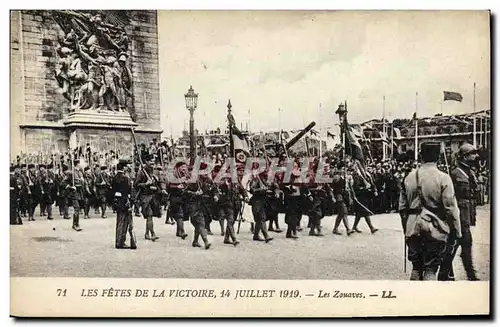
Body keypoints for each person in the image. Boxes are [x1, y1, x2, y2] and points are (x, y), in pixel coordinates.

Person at [399, 142, 461, 281]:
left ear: (421, 156)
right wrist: (456, 230)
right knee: (431, 269)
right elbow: (450, 207)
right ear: (438, 156)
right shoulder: (443, 178)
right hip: (435, 226)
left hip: (413, 225)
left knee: (416, 267)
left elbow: (402, 208)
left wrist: (407, 228)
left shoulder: (409, 177)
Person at [439, 143, 481, 281]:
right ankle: (468, 275)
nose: (476, 156)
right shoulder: (455, 173)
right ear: (464, 156)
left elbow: (474, 192)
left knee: (458, 244)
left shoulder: (470, 171)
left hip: (466, 214)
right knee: (460, 243)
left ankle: (446, 273)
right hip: (458, 215)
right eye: (472, 153)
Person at [112, 160, 137, 249]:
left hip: (117, 202)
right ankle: (121, 242)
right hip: (125, 202)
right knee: (125, 223)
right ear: (124, 167)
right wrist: (129, 202)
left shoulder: (115, 177)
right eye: (127, 166)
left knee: (119, 222)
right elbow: (127, 192)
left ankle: (118, 241)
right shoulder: (126, 178)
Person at [134, 155, 160, 241]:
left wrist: (155, 187)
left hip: (152, 196)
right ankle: (152, 233)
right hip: (144, 197)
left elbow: (157, 184)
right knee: (149, 214)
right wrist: (146, 184)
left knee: (150, 216)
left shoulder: (153, 172)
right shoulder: (141, 172)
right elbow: (136, 185)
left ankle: (146, 233)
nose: (152, 163)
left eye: (153, 161)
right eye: (150, 161)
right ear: (146, 162)